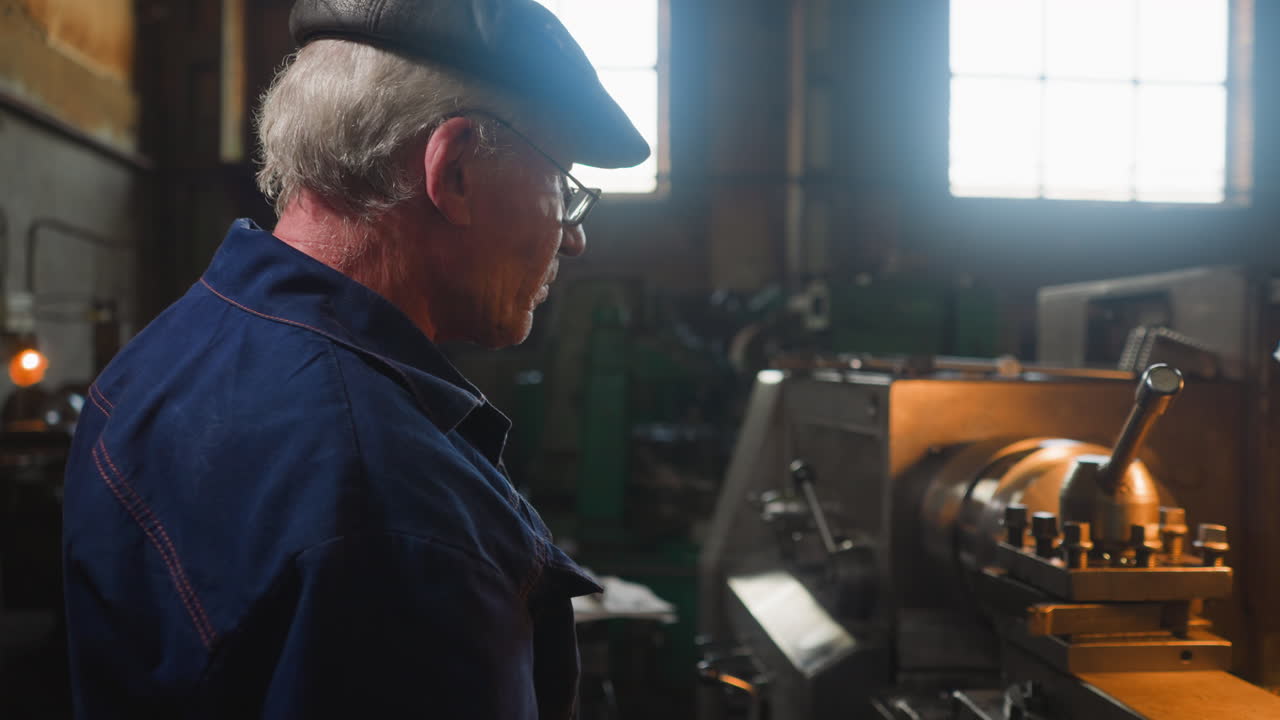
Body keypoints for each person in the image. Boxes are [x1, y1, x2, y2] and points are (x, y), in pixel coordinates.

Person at [61, 0, 648, 716]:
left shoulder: (159, 361)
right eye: (565, 187)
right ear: (456, 168)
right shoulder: (406, 528)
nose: (574, 238)